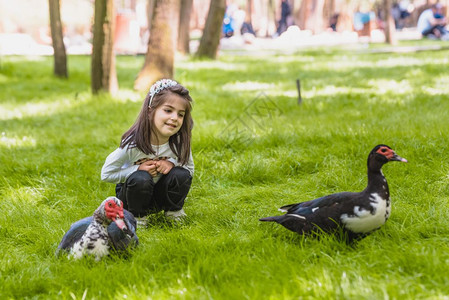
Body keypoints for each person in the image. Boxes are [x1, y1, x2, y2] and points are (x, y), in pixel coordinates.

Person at [101, 79, 194, 227]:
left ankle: (173, 212)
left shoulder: (178, 143)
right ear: (151, 111)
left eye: (180, 114)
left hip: (159, 195)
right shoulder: (133, 144)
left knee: (181, 174)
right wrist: (137, 169)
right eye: (168, 110)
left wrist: (171, 163)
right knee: (141, 178)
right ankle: (137, 217)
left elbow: (189, 171)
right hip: (133, 195)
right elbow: (106, 174)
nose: (175, 118)